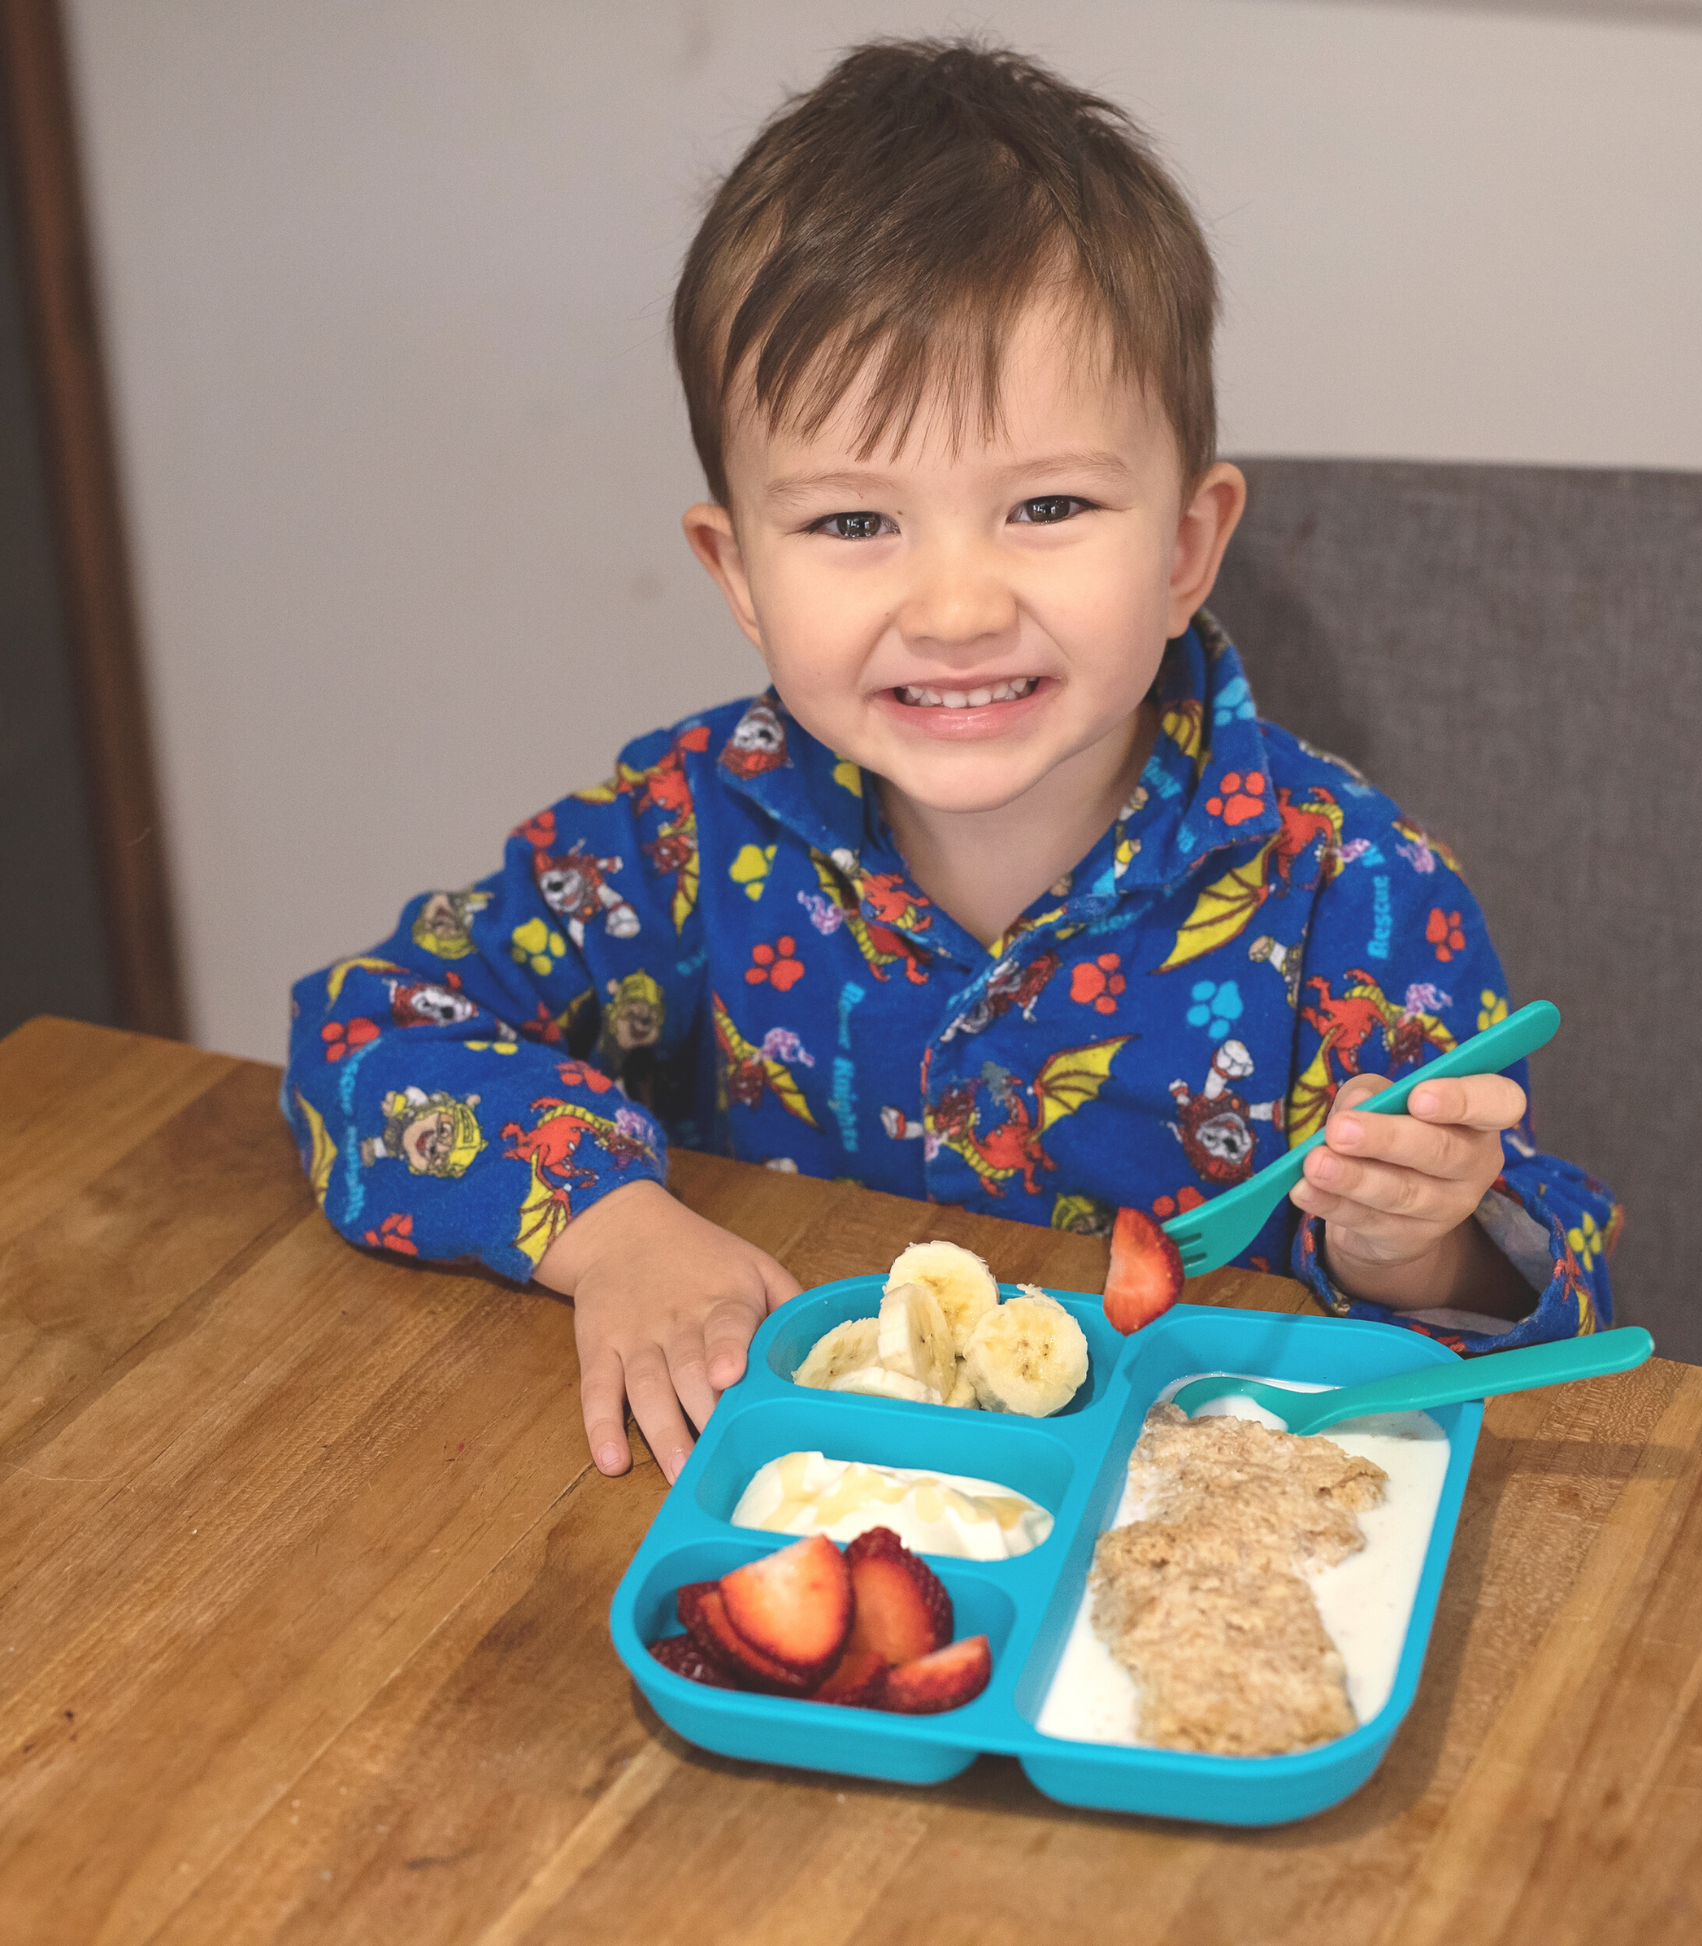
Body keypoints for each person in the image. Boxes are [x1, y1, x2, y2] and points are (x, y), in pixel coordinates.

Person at [284, 38, 1619, 1486]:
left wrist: (1414, 1242)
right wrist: (613, 1229)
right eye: (854, 524)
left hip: (1163, 1544)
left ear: (1184, 545)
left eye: (1044, 503)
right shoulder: (681, 832)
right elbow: (365, 1027)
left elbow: (1543, 1317)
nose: (956, 607)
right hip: (789, 1513)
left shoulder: (1352, 894)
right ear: (737, 572)